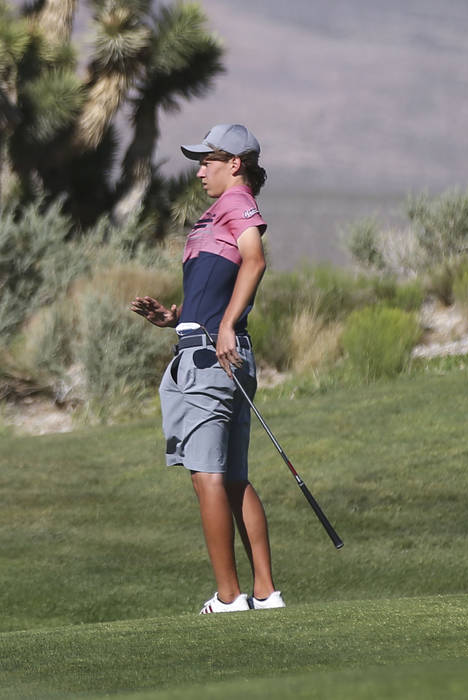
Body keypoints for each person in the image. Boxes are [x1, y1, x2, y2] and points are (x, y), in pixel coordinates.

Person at [129, 124, 284, 614]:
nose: (200, 171)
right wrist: (175, 318)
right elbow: (218, 285)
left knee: (208, 475)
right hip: (214, 348)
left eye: (208, 161)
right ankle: (264, 592)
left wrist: (226, 325)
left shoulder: (237, 202)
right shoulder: (217, 213)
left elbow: (254, 262)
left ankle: (229, 597)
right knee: (233, 476)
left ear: (234, 164)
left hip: (210, 358)